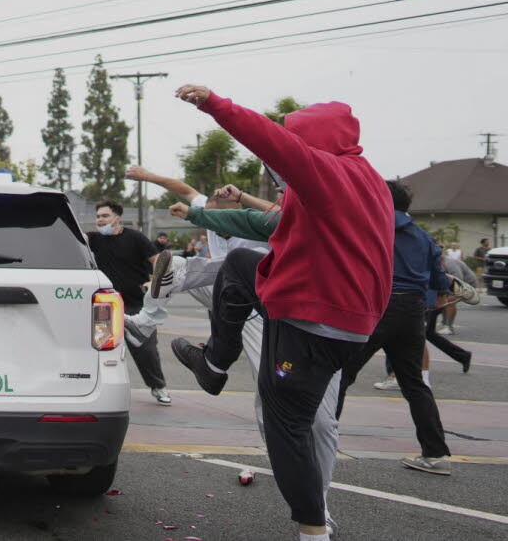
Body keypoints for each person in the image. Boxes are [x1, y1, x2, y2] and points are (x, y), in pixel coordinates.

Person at [167, 84, 393, 541]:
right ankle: (214, 362)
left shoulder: (325, 173)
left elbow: (269, 140)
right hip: (347, 321)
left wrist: (214, 103)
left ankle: (313, 530)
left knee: (287, 427)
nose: (277, 173)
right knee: (239, 264)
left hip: (313, 325)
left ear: (312, 145)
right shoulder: (368, 180)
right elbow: (265, 221)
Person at [336, 181, 456, 476]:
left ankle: (316, 442)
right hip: (413, 311)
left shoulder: (369, 227)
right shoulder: (423, 237)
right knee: (414, 383)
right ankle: (436, 453)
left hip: (378, 306)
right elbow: (439, 280)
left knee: (340, 376)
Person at [85, 199, 171, 406]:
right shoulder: (94, 240)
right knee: (101, 348)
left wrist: (155, 282)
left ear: (117, 218)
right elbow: (74, 238)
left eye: (105, 216)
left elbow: (159, 261)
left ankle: (158, 387)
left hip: (136, 305)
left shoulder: (136, 238)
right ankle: (97, 391)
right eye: (98, 217)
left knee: (146, 349)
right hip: (106, 307)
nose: (100, 220)